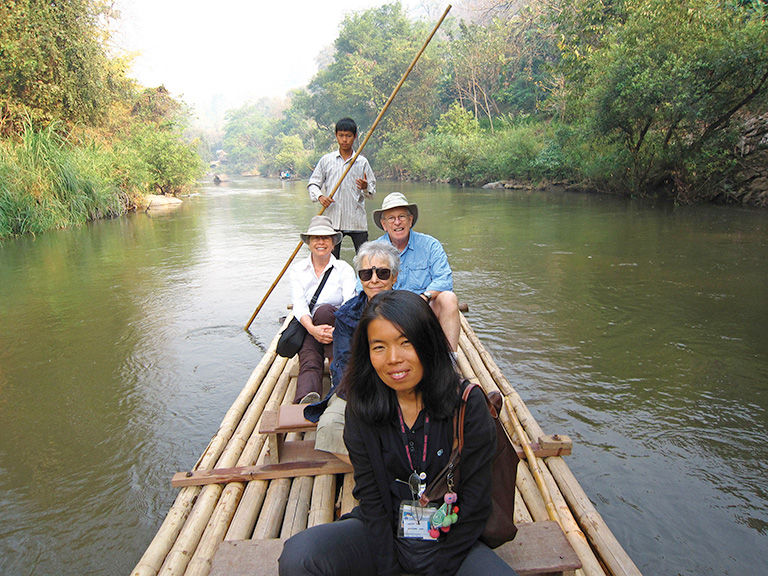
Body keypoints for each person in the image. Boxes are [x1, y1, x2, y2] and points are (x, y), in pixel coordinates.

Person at [279, 290, 517, 576]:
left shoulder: (467, 404)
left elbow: (477, 503)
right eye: (379, 347)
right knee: (300, 558)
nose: (393, 359)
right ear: (367, 353)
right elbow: (371, 498)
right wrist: (389, 567)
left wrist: (440, 567)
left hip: (451, 535)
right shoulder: (362, 406)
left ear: (429, 343)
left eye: (406, 343)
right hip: (383, 528)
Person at [303, 241, 400, 463]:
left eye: (382, 273)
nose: (374, 280)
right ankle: (379, 471)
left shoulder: (411, 309)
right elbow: (343, 366)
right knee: (328, 427)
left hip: (404, 384)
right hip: (358, 388)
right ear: (360, 278)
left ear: (394, 277)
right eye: (366, 274)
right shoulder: (347, 315)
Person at [373, 192, 461, 351]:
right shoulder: (374, 250)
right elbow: (362, 288)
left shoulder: (430, 245)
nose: (397, 222)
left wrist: (424, 297)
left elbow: (444, 280)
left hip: (424, 310)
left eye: (402, 216)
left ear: (410, 220)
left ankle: (450, 360)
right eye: (391, 218)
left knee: (449, 298)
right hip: (389, 312)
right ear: (384, 224)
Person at [289, 215, 357, 404]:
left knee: (325, 311)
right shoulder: (298, 270)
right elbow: (299, 304)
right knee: (310, 356)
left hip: (338, 325)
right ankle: (309, 398)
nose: (321, 242)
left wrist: (337, 330)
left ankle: (314, 388)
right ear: (309, 243)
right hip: (309, 326)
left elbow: (349, 302)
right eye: (316, 238)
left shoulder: (344, 269)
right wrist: (312, 329)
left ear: (333, 244)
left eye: (326, 237)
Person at [307, 117, 376, 258]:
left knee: (365, 260)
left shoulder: (361, 162)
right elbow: (313, 183)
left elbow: (372, 192)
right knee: (330, 261)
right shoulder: (327, 160)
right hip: (333, 222)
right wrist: (320, 197)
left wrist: (365, 186)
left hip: (357, 221)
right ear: (336, 136)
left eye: (348, 136)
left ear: (355, 137)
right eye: (341, 136)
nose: (345, 140)